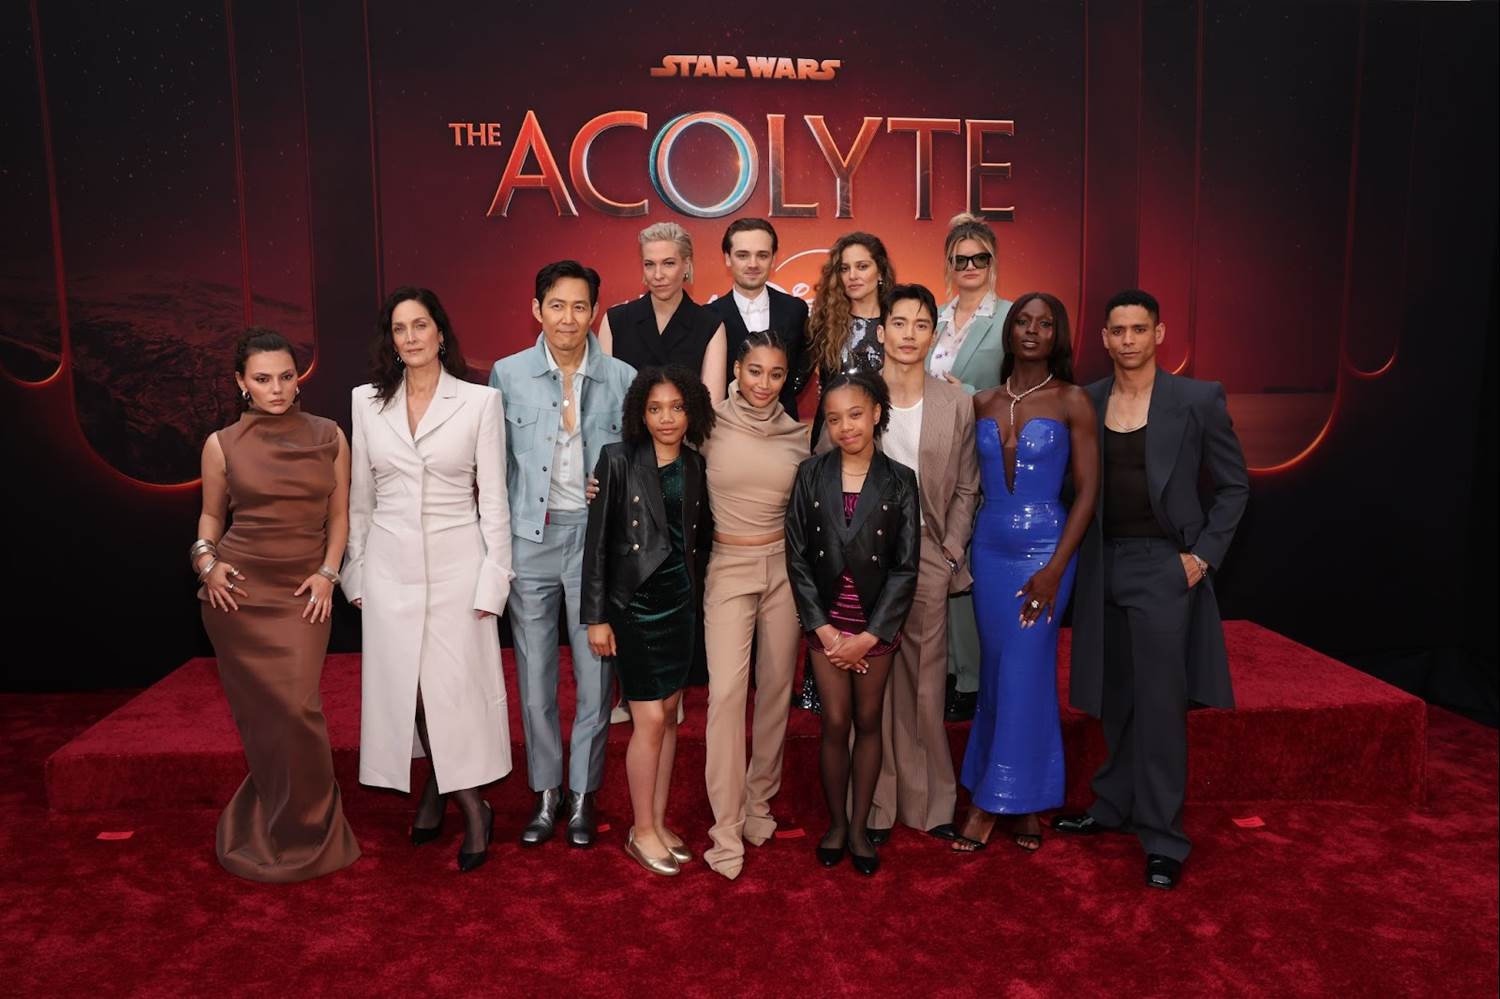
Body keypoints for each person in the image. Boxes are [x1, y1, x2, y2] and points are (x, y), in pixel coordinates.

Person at [1050, 289, 1249, 891]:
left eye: (1139, 329)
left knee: (1161, 705)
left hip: (1164, 566)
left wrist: (1202, 557)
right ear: (1105, 339)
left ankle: (1163, 837)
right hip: (1101, 565)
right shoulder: (1086, 400)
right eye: (1118, 330)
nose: (1129, 339)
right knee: (1115, 694)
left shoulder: (1198, 399)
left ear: (1159, 334)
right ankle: (1113, 805)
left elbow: (1234, 487)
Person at [344, 288, 512, 873]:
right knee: (410, 691)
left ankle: (468, 805)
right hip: (388, 567)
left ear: (441, 333)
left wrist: (494, 580)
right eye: (400, 328)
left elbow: (494, 502)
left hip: (458, 566)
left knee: (451, 691)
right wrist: (356, 571)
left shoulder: (479, 403)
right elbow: (360, 498)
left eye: (420, 325)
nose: (411, 337)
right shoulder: (366, 402)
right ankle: (451, 792)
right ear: (390, 341)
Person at [191, 327, 360, 882]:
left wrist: (329, 573)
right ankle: (277, 819)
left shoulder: (330, 435)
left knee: (297, 709)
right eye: (263, 379)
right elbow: (212, 516)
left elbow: (340, 515)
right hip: (239, 593)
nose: (278, 388)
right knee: (266, 720)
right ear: (241, 383)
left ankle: (309, 828)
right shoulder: (221, 444)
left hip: (304, 592)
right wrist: (206, 562)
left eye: (286, 376)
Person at [489, 260, 636, 849]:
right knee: (535, 679)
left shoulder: (622, 377)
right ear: (537, 310)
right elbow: (494, 466)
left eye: (579, 306)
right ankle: (545, 792)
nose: (568, 318)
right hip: (530, 539)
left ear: (595, 312)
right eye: (556, 306)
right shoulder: (507, 374)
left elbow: (639, 466)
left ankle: (582, 795)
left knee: (596, 678)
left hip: (594, 544)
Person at [950, 293, 1099, 854]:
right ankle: (1028, 802)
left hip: (1046, 551)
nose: (1032, 330)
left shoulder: (1072, 400)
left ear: (1058, 336)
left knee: (1025, 670)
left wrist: (1056, 569)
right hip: (989, 550)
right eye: (1023, 322)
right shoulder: (982, 402)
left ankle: (989, 803)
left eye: (1045, 324)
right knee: (997, 671)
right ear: (1008, 331)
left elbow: (1088, 493)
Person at [857, 284, 980, 843]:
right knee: (873, 683)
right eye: (900, 323)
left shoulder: (956, 402)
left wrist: (952, 549)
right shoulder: (857, 393)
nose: (909, 334)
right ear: (881, 331)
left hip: (930, 553)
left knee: (927, 684)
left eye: (922, 324)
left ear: (935, 334)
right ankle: (877, 805)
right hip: (865, 556)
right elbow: (825, 470)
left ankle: (931, 804)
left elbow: (968, 487)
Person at [785, 373, 920, 876]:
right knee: (835, 722)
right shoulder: (810, 474)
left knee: (867, 721)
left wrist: (869, 636)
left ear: (877, 413)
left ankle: (861, 828)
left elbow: (905, 567)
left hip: (873, 628)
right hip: (825, 625)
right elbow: (796, 556)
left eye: (856, 415)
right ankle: (837, 825)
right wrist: (822, 630)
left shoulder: (900, 480)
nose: (846, 427)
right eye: (835, 418)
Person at [581, 367, 714, 876]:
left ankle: (657, 822)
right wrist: (597, 618)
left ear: (691, 411)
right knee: (651, 720)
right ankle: (640, 831)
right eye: (655, 408)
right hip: (633, 607)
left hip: (681, 606)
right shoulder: (616, 460)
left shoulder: (696, 464)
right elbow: (597, 545)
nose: (666, 418)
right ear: (641, 412)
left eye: (676, 407)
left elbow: (700, 540)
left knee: (672, 715)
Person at [700, 332, 812, 880]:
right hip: (727, 566)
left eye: (776, 374)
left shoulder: (800, 436)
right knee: (725, 694)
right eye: (754, 371)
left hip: (783, 572)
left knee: (774, 692)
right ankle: (725, 827)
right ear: (736, 372)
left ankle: (758, 804)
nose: (764, 384)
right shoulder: (708, 424)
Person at [797, 232, 897, 712]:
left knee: (879, 557)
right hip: (831, 452)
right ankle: (829, 665)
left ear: (880, 270)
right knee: (831, 558)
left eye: (862, 266)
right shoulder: (825, 323)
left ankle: (874, 655)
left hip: (888, 451)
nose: (853, 275)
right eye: (844, 268)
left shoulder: (899, 319)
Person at [928, 213, 1014, 724]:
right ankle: (948, 670)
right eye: (961, 259)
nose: (970, 266)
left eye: (980, 257)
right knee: (941, 561)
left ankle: (973, 678)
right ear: (949, 263)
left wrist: (974, 398)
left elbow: (1024, 390)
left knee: (969, 567)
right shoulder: (933, 317)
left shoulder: (1010, 318)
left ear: (993, 261)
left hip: (986, 460)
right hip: (934, 462)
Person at [599, 221, 728, 404]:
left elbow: (711, 407)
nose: (658, 275)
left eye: (668, 263)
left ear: (686, 265)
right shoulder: (616, 321)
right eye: (649, 264)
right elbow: (605, 401)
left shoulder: (709, 326)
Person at [707, 217, 811, 416]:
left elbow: (802, 367)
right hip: (729, 427)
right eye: (743, 255)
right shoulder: (709, 316)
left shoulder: (796, 309)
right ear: (727, 258)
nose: (753, 264)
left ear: (774, 259)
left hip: (784, 425)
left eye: (762, 255)